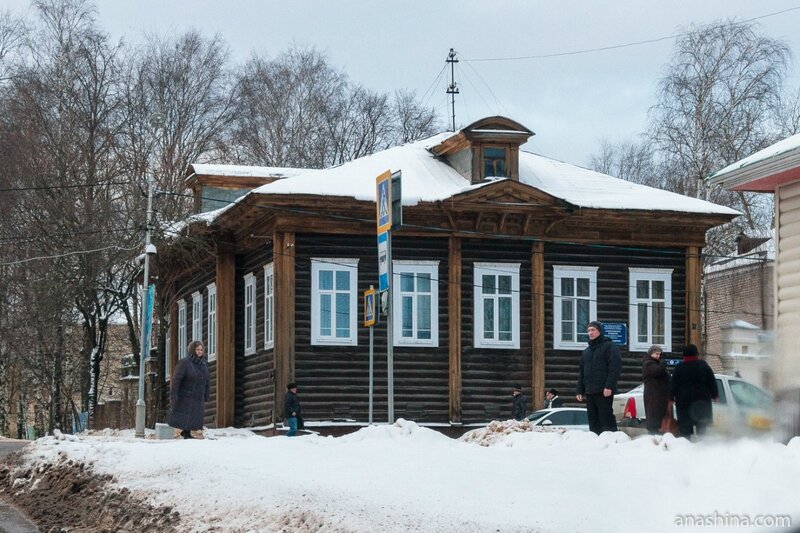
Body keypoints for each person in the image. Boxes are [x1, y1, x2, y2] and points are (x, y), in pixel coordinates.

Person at [576, 321, 621, 435]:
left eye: (593, 330)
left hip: (604, 390)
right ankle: (596, 441)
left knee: (605, 416)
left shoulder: (609, 346)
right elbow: (582, 372)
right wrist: (580, 390)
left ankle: (611, 439)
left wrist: (609, 386)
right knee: (593, 418)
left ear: (599, 331)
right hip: (590, 391)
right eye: (589, 330)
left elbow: (614, 368)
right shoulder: (587, 351)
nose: (590, 333)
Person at [670, 344, 718, 439]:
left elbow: (673, 384)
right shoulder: (703, 365)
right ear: (696, 354)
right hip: (701, 401)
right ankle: (701, 447)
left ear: (684, 355)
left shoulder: (679, 367)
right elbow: (711, 381)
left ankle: (686, 445)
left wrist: (671, 398)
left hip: (684, 402)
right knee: (701, 426)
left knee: (685, 428)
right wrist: (715, 395)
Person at [167, 340, 210, 439]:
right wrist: (174, 393)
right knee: (185, 414)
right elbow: (177, 379)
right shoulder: (185, 362)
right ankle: (184, 432)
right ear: (192, 350)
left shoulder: (204, 364)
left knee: (194, 415)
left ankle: (187, 432)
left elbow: (207, 380)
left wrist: (207, 393)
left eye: (201, 350)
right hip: (185, 394)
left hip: (198, 395)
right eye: (197, 349)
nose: (199, 352)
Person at [642, 345, 670, 434]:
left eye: (659, 354)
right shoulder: (648, 363)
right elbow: (657, 371)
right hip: (653, 394)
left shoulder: (656, 363)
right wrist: (663, 363)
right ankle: (653, 432)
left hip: (660, 394)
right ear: (651, 354)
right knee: (654, 414)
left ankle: (659, 429)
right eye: (656, 354)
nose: (658, 356)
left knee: (659, 414)